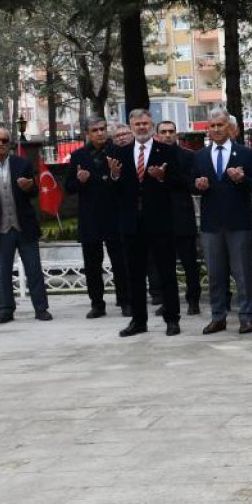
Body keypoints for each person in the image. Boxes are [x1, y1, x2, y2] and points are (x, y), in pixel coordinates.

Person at [108, 109, 187, 337]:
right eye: (137, 124)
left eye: (145, 123)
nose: (141, 127)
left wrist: (162, 177)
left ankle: (172, 319)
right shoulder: (120, 153)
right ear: (131, 126)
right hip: (132, 223)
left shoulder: (167, 151)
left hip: (160, 221)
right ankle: (138, 320)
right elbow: (114, 191)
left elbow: (180, 183)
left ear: (151, 124)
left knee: (166, 272)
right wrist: (114, 176)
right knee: (134, 273)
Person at [0, 127, 51, 324]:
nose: (0, 144)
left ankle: (41, 309)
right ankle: (6, 310)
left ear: (9, 144)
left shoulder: (22, 164)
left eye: (4, 140)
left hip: (24, 226)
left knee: (34, 270)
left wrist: (29, 187)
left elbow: (34, 192)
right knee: (3, 272)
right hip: (0, 228)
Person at [192, 109, 252, 334]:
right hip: (211, 224)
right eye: (212, 126)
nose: (216, 129)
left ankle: (246, 316)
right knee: (215, 274)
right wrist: (198, 186)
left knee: (243, 273)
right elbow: (191, 184)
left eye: (220, 125)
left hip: (238, 222)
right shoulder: (200, 156)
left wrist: (242, 179)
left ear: (229, 128)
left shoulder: (246, 154)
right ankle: (218, 316)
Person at [65, 116, 128, 318]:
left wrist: (115, 175)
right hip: (90, 218)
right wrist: (79, 180)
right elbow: (69, 187)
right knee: (92, 265)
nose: (100, 133)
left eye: (103, 128)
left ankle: (125, 301)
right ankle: (97, 304)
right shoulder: (78, 156)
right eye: (95, 130)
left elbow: (129, 184)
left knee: (120, 262)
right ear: (87, 134)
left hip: (115, 215)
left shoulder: (118, 152)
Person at [153, 120, 201, 316]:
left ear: (176, 133)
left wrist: (166, 176)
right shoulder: (151, 155)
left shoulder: (188, 156)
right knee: (164, 265)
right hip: (159, 216)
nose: (167, 135)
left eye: (171, 131)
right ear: (157, 134)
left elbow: (192, 183)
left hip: (182, 215)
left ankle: (193, 300)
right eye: (163, 132)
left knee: (190, 263)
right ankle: (168, 302)